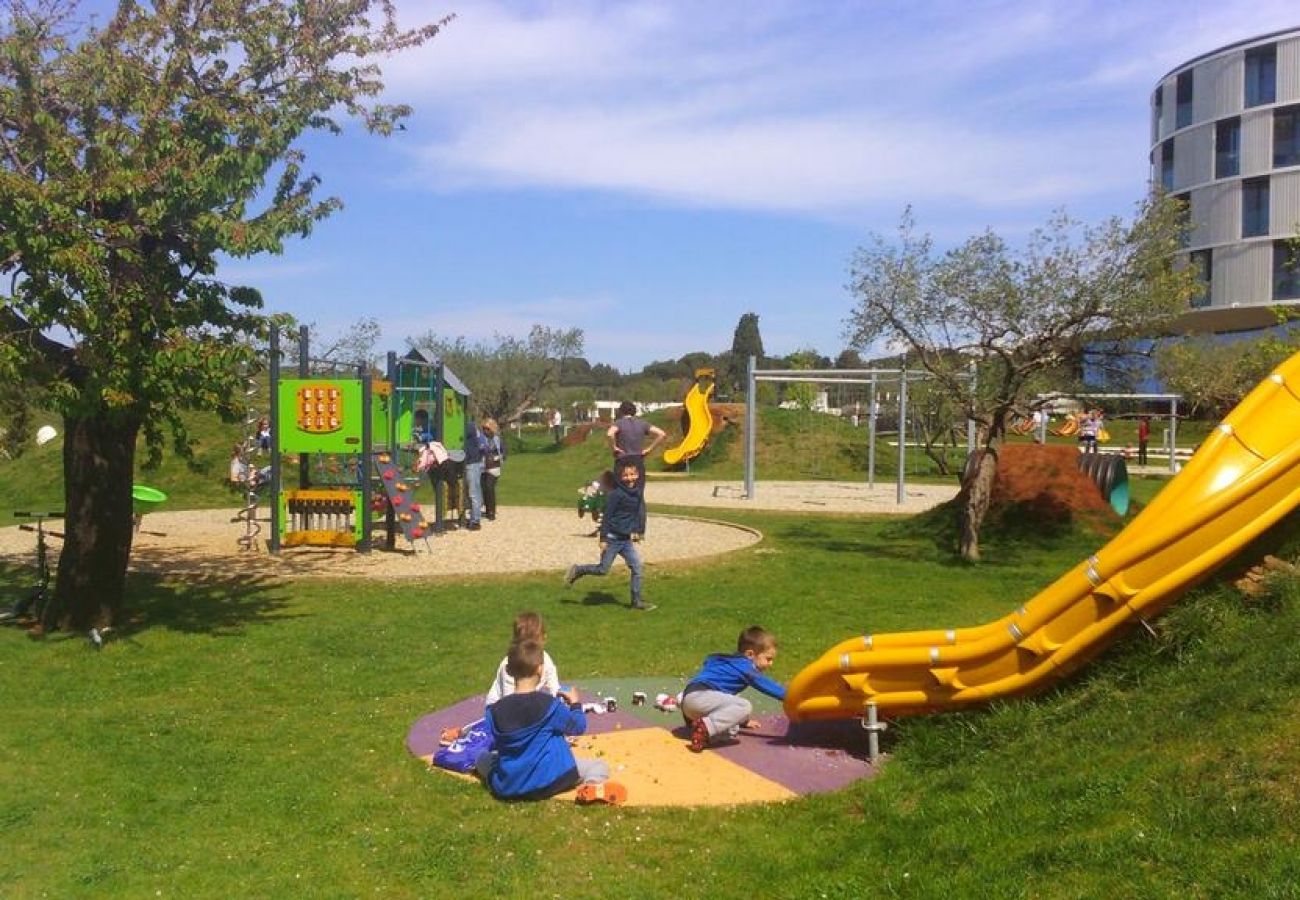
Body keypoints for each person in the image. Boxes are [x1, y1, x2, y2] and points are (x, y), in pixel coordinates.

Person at [478, 639, 626, 804]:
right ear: (540, 670)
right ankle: (590, 786)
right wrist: (575, 704)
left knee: (481, 759)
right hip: (551, 779)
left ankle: (506, 777)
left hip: (508, 785)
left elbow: (494, 737)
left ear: (509, 670)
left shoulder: (494, 710)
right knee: (598, 766)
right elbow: (578, 726)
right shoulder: (549, 704)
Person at [564, 459, 654, 611]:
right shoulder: (616, 495)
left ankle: (636, 601)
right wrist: (603, 538)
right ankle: (578, 570)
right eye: (626, 475)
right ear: (620, 477)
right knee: (603, 570)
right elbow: (607, 517)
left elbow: (637, 512)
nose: (630, 478)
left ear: (637, 475)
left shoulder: (637, 492)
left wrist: (638, 531)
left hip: (626, 541)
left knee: (637, 568)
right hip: (612, 539)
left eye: (632, 474)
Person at [681, 625, 786, 753]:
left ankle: (700, 729)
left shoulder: (730, 662)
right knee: (744, 706)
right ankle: (705, 728)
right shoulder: (745, 667)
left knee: (732, 729)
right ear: (750, 654)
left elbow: (710, 661)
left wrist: (742, 720)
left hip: (689, 702)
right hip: (701, 697)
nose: (771, 664)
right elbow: (767, 685)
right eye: (768, 659)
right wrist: (790, 696)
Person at [485, 612, 560, 705]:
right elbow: (509, 703)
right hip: (500, 710)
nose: (546, 636)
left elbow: (555, 688)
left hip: (529, 703)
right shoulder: (510, 664)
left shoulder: (546, 660)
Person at [606, 401, 667, 475]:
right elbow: (662, 434)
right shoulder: (642, 423)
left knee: (621, 483)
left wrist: (614, 447)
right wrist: (649, 449)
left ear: (621, 411)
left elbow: (609, 434)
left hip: (622, 458)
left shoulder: (619, 423)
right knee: (638, 483)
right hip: (638, 459)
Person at [480, 418, 505, 521]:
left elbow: (504, 453)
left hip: (494, 467)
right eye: (484, 429)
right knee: (484, 489)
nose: (485, 431)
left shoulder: (497, 440)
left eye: (487, 429)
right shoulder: (481, 439)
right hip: (482, 466)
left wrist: (497, 457)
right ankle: (487, 509)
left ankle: (491, 511)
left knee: (490, 487)